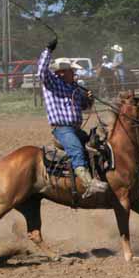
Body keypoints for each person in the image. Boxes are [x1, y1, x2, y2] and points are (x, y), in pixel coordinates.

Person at [37, 38, 109, 198]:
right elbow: (41, 72)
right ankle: (88, 184)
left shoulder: (74, 87)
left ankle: (99, 174)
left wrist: (88, 99)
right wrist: (48, 50)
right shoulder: (52, 83)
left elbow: (84, 107)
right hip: (62, 129)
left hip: (75, 129)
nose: (74, 73)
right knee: (76, 150)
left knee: (98, 145)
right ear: (62, 72)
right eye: (71, 70)